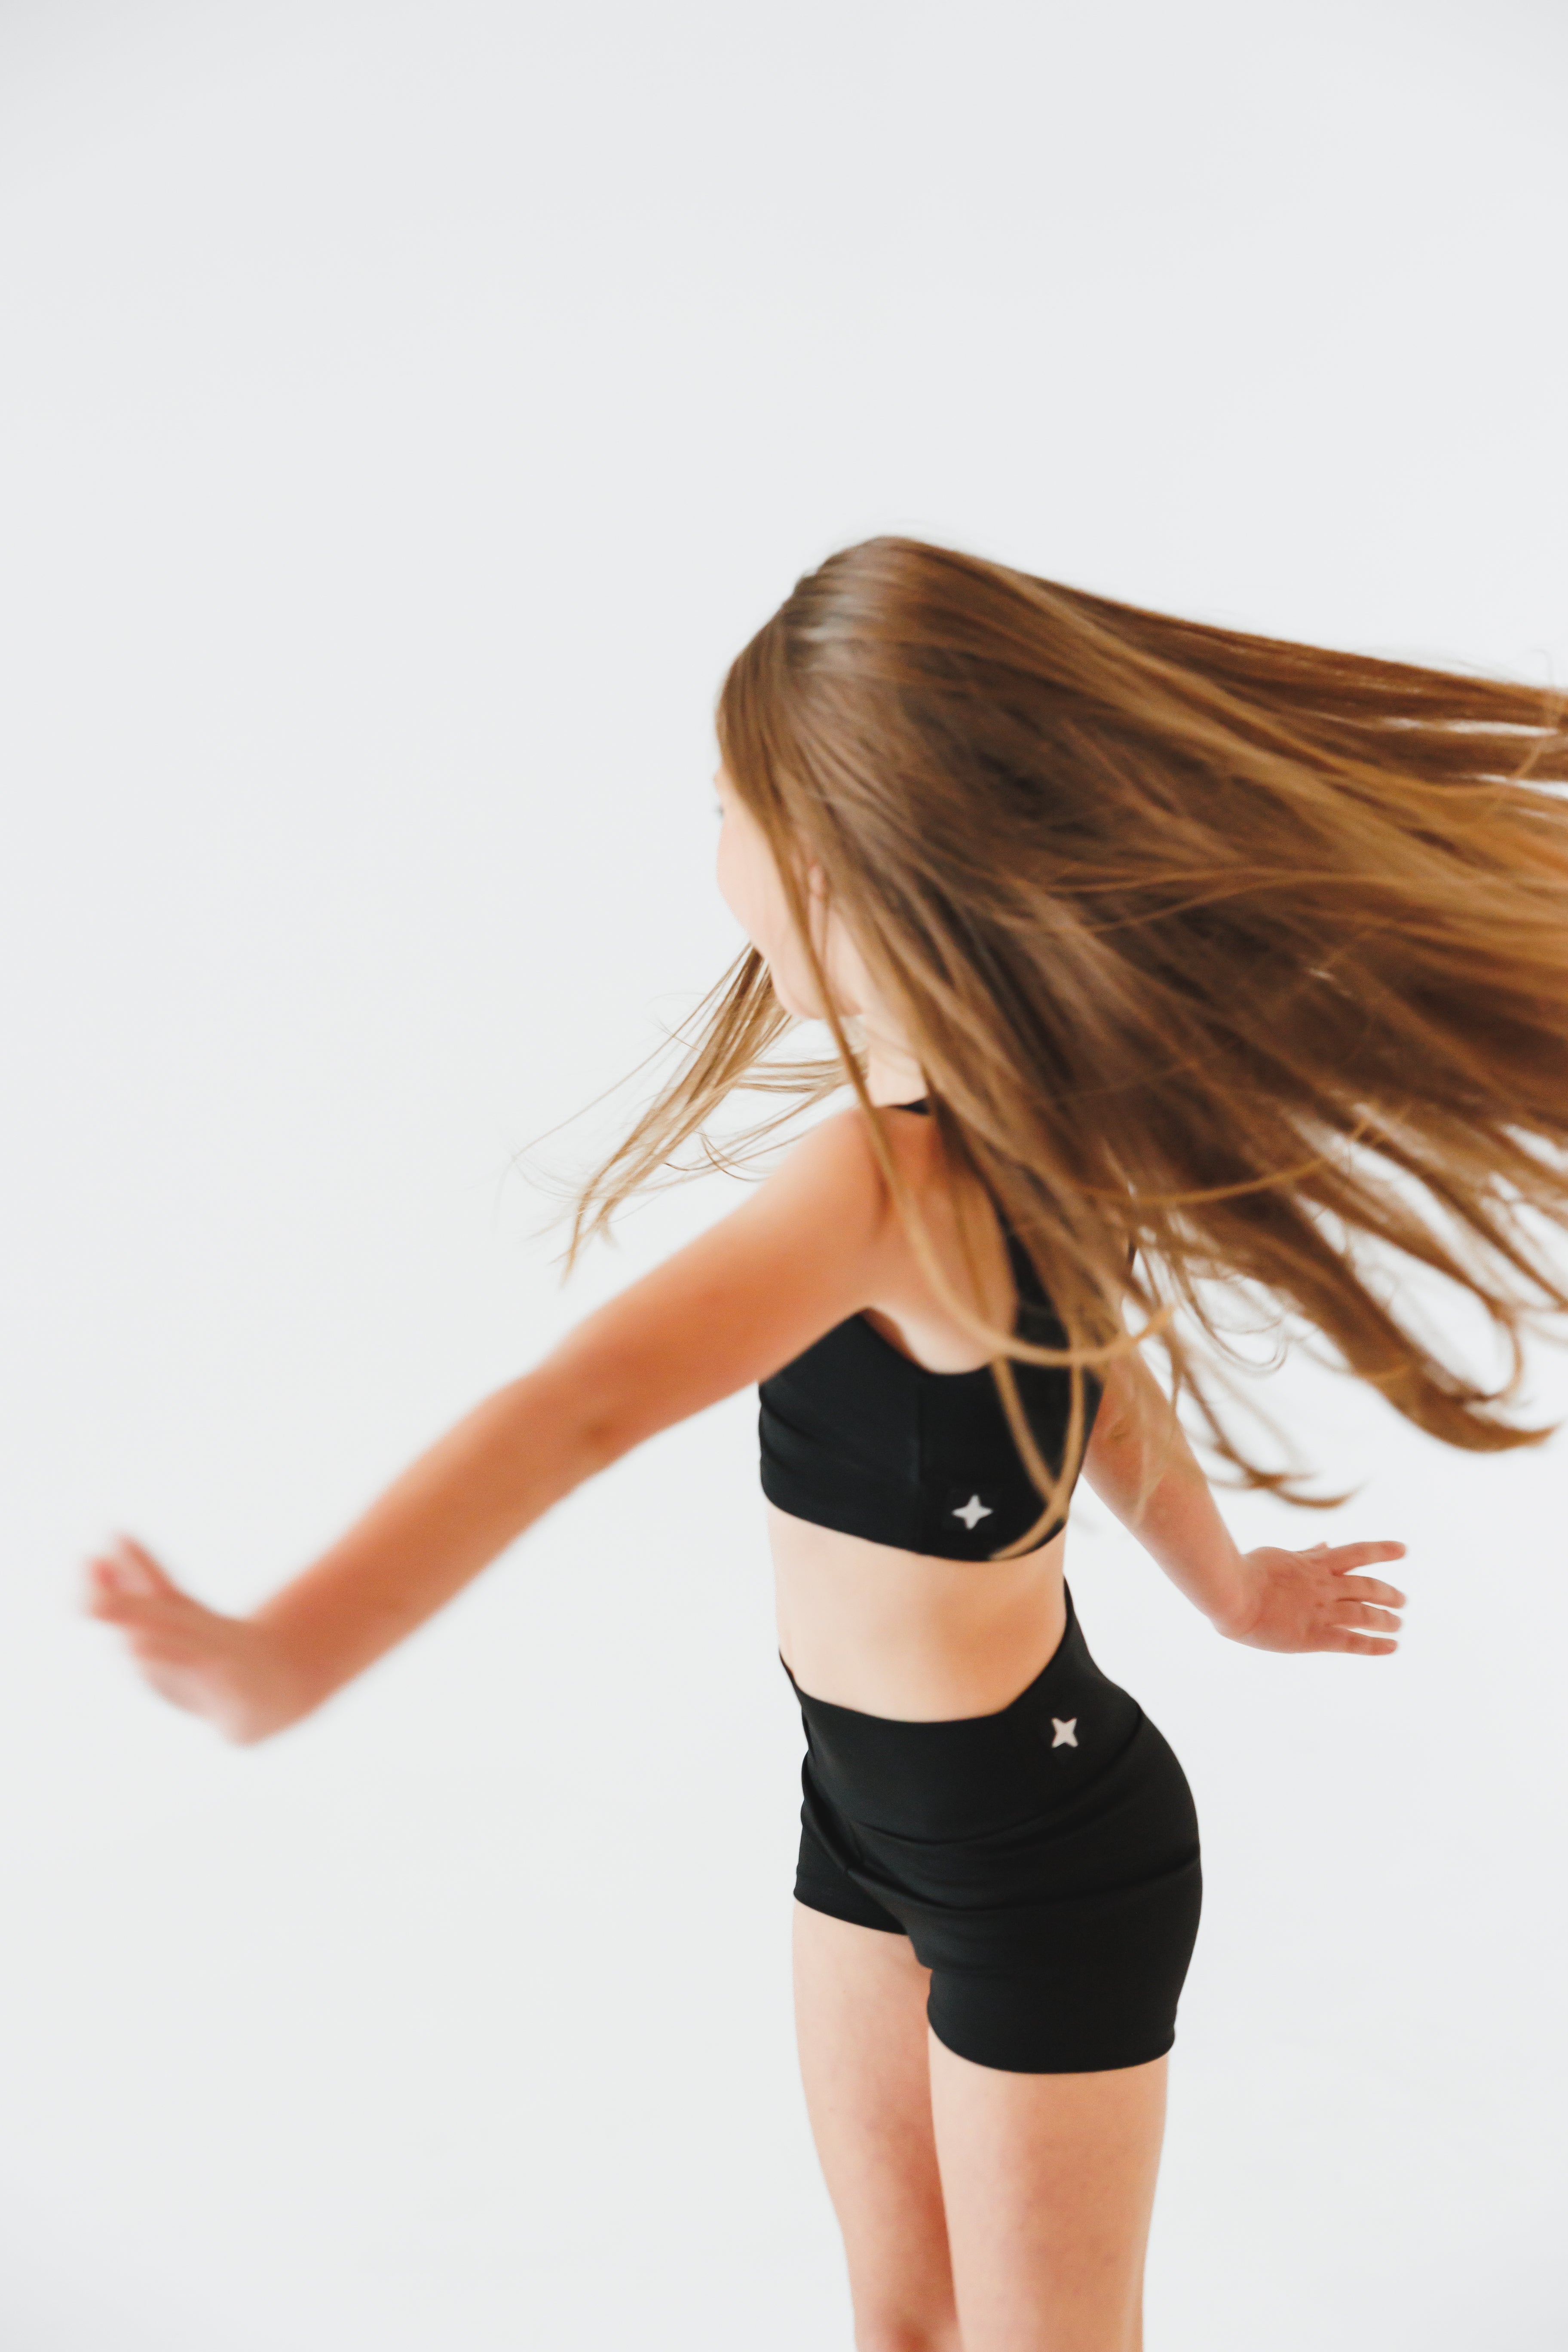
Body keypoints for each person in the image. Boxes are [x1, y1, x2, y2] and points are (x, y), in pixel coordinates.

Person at [85, 537, 1568, 2352]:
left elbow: (579, 1412)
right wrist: (1236, 1583)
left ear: (858, 861)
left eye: (728, 801)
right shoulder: (1025, 1119)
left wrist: (282, 1654)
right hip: (864, 1811)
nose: (709, 842)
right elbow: (1089, 1379)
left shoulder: (889, 1174)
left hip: (1042, 1848)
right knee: (902, 2324)